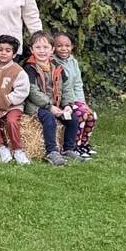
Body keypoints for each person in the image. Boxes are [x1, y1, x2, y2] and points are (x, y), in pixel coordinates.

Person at [23, 30, 81, 166]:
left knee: (73, 119)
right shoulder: (29, 68)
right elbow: (32, 91)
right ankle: (52, 152)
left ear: (52, 49)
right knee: (49, 119)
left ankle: (68, 149)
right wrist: (50, 106)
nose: (42, 51)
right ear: (32, 50)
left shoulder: (57, 67)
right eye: (38, 47)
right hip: (37, 106)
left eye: (46, 47)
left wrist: (67, 104)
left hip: (57, 104)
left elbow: (66, 87)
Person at [0, 35, 31, 165]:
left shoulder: (17, 71)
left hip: (12, 106)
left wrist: (8, 100)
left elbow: (22, 91)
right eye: (0, 49)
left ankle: (17, 149)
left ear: (14, 54)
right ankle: (2, 146)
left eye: (8, 50)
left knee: (11, 121)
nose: (3, 53)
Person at [53, 31, 97, 160]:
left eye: (67, 45)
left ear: (72, 46)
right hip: (62, 100)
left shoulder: (73, 62)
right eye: (59, 45)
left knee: (91, 115)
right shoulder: (53, 62)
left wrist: (82, 103)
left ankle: (84, 144)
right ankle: (74, 147)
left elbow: (78, 84)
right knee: (81, 115)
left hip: (75, 99)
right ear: (53, 47)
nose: (64, 48)